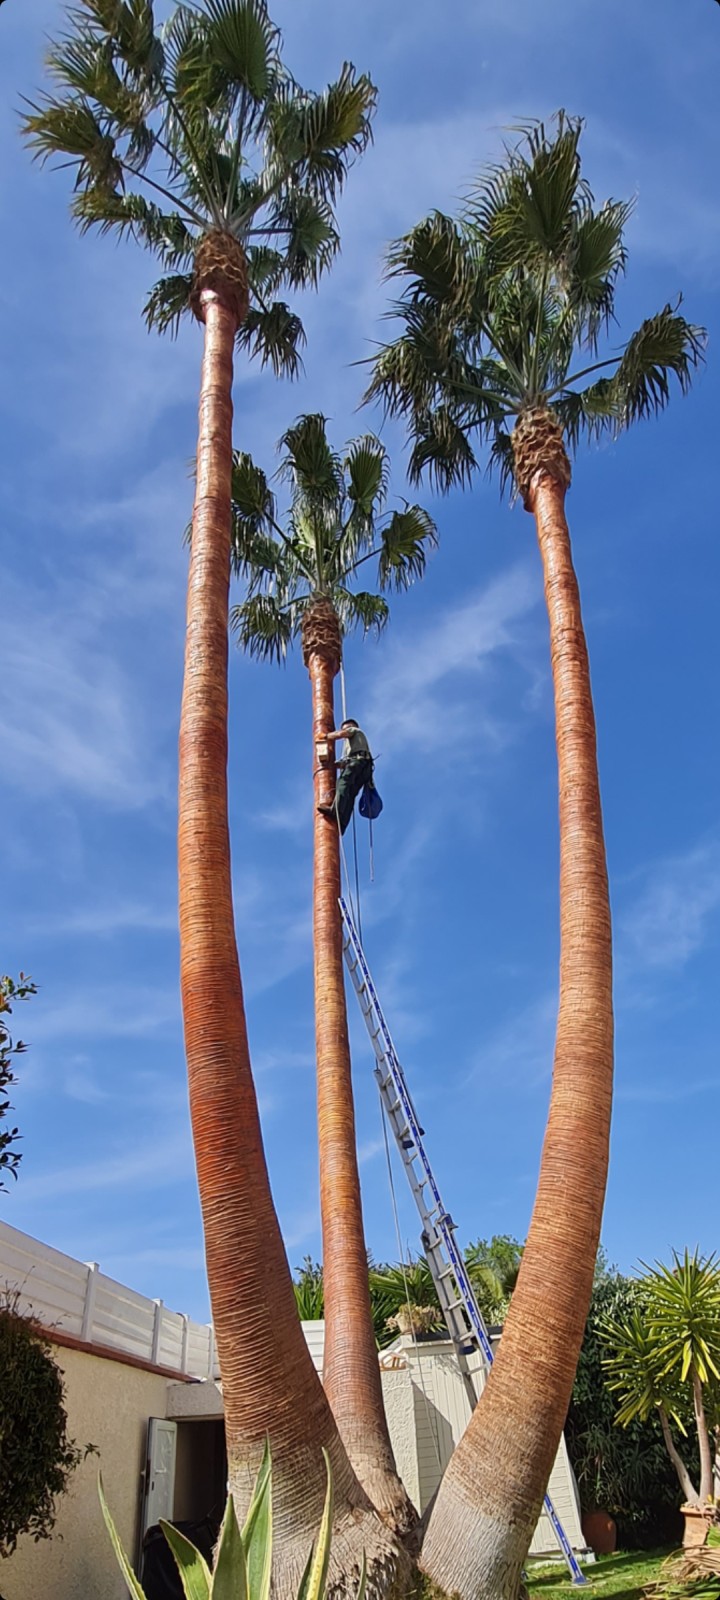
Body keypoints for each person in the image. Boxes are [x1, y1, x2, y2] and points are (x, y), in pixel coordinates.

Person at [316, 718, 376, 834]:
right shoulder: (354, 743)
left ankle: (335, 810)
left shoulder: (354, 731)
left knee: (343, 782)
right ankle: (342, 823)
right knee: (350, 794)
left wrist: (325, 736)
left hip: (359, 764)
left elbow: (342, 734)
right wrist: (334, 765)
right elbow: (349, 761)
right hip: (364, 767)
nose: (344, 731)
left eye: (346, 728)